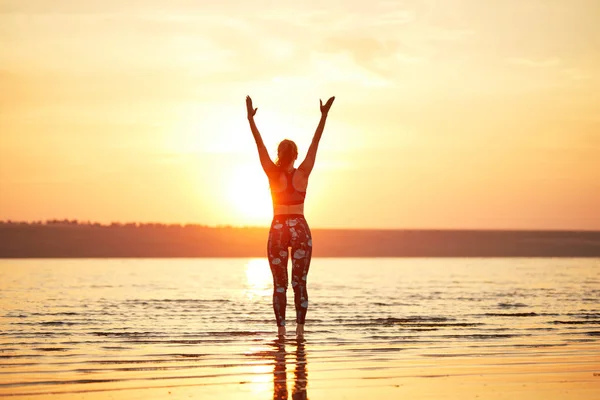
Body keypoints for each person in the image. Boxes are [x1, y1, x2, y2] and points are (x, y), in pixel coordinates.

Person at [246, 95, 335, 337]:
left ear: (279, 154)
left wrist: (250, 120)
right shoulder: (303, 173)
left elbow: (259, 145)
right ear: (295, 155)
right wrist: (323, 116)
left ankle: (281, 331)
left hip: (278, 229)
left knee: (279, 285)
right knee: (299, 283)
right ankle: (300, 330)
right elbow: (317, 142)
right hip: (299, 228)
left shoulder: (273, 174)